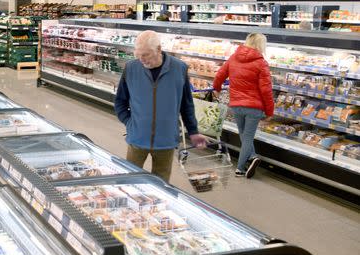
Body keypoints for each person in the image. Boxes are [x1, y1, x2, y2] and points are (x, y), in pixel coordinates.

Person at [114, 30, 206, 182]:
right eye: (138, 55)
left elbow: (186, 104)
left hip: (166, 141)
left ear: (158, 49)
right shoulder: (131, 68)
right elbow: (120, 101)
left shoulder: (179, 68)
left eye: (146, 55)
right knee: (130, 180)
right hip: (137, 138)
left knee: (161, 184)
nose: (141, 60)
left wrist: (193, 131)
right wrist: (130, 123)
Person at [213, 33, 274, 178]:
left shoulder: (234, 58)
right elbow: (266, 90)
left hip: (236, 104)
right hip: (254, 107)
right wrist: (270, 111)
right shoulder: (261, 63)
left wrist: (217, 88)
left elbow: (219, 75)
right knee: (247, 137)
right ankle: (240, 168)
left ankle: (253, 157)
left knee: (243, 134)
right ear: (260, 45)